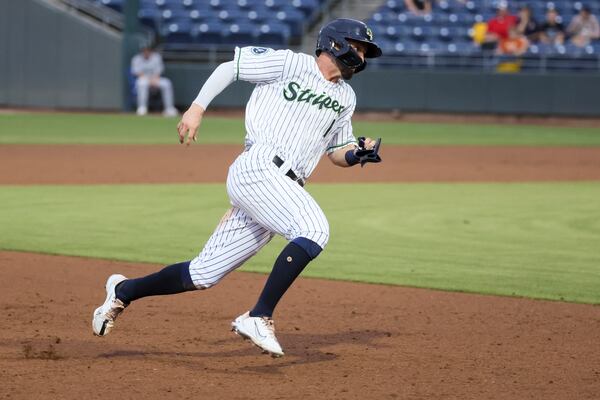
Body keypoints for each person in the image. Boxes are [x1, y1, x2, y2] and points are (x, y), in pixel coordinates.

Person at [92, 19, 383, 358]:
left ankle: (123, 291)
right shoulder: (292, 63)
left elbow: (336, 152)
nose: (361, 56)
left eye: (365, 51)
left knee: (202, 274)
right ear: (335, 43)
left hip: (279, 188)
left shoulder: (346, 97)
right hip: (259, 168)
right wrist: (196, 108)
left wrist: (357, 153)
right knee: (314, 228)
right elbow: (230, 68)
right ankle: (259, 315)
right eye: (358, 47)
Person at [131, 45, 178, 116]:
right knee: (142, 83)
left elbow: (159, 71)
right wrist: (148, 79)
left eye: (148, 50)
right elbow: (136, 72)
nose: (146, 52)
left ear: (150, 50)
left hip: (155, 79)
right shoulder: (136, 58)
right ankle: (142, 108)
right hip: (143, 79)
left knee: (166, 83)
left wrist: (154, 79)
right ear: (142, 51)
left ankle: (169, 108)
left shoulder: (156, 57)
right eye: (144, 50)